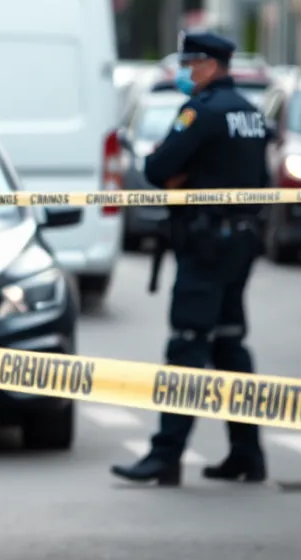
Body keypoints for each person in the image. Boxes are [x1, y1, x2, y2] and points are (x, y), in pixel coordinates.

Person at [111, 31, 271, 487]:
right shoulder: (250, 114)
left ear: (210, 65)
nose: (184, 71)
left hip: (205, 243)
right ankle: (247, 454)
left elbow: (158, 170)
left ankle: (165, 457)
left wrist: (178, 173)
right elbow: (261, 179)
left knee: (186, 344)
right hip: (240, 241)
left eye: (190, 63)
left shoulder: (200, 112)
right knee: (229, 345)